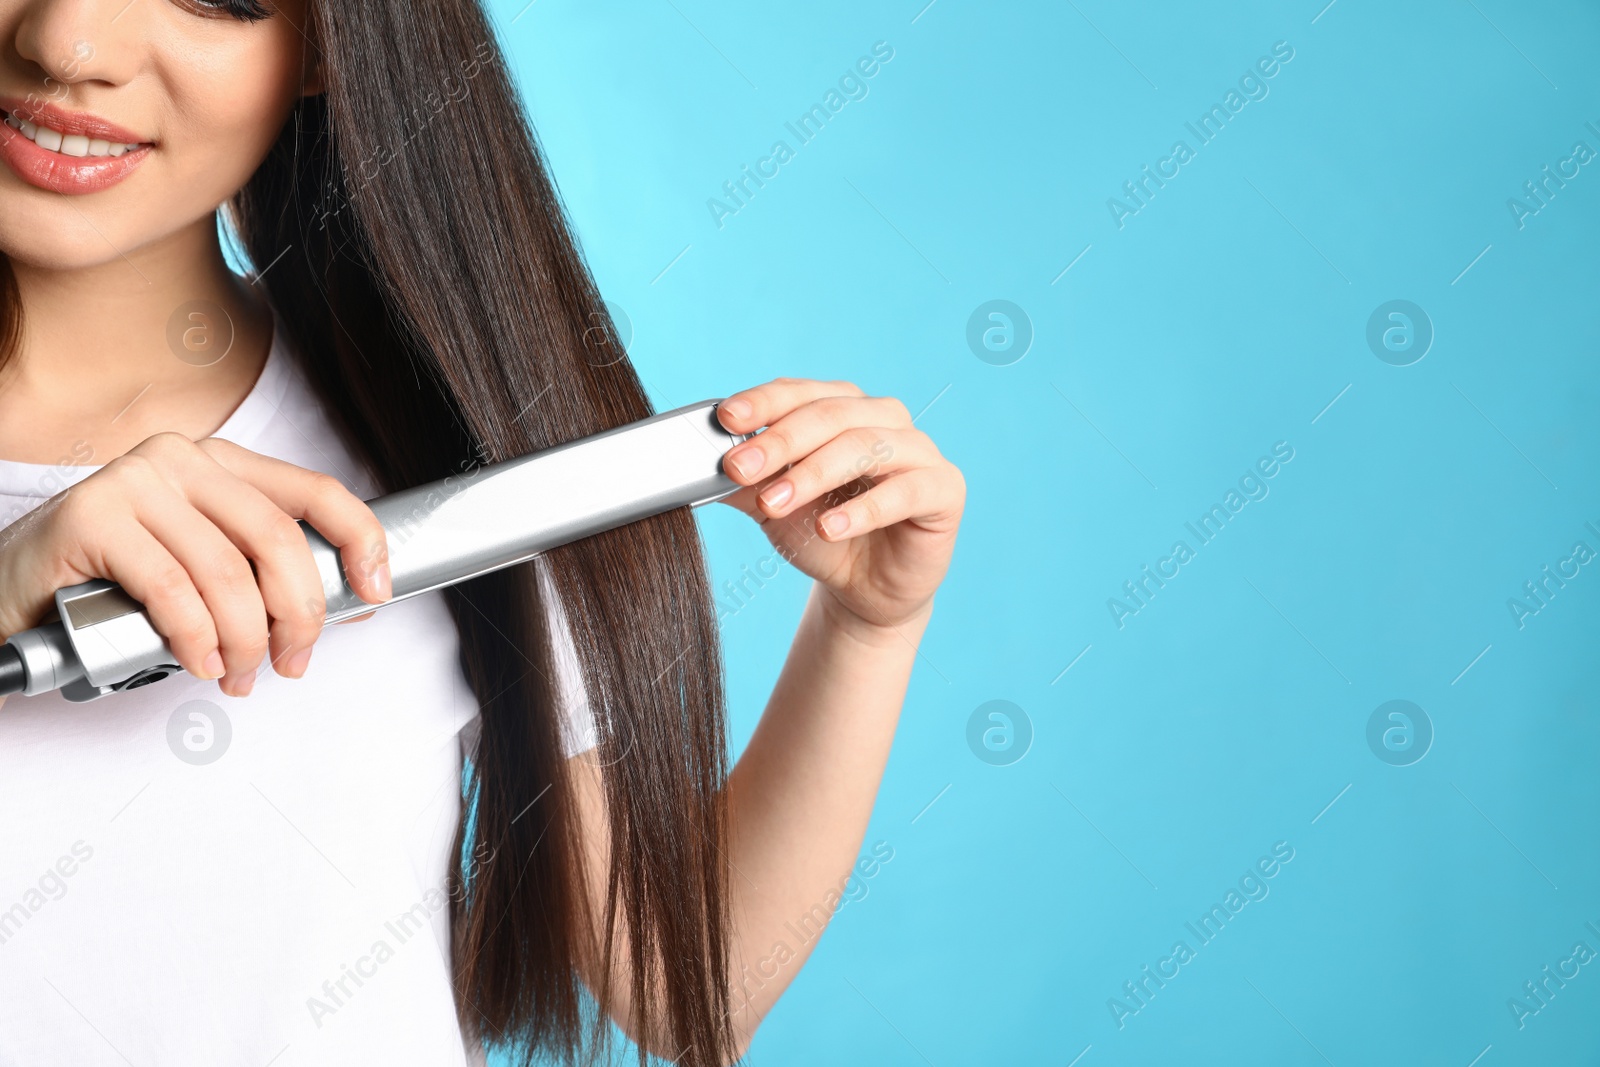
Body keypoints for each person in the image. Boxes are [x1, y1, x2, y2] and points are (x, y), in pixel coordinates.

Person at [0, 0, 965, 1063]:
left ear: (326, 46)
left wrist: (868, 627)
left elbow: (692, 985)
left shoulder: (447, 457)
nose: (67, 45)